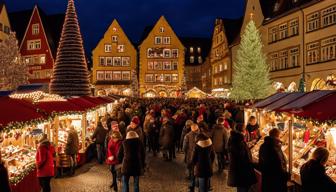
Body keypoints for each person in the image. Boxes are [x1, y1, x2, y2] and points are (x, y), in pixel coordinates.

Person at [227, 124, 257, 192]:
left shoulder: (235, 140)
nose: (246, 131)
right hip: (242, 171)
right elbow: (243, 158)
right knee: (243, 188)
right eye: (245, 130)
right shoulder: (239, 143)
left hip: (239, 171)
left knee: (241, 188)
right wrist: (253, 163)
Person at [183, 123, 200, 191]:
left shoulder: (187, 135)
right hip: (198, 156)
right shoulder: (200, 135)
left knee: (191, 170)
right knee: (197, 170)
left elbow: (184, 147)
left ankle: (192, 185)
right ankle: (197, 184)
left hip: (190, 155)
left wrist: (186, 152)